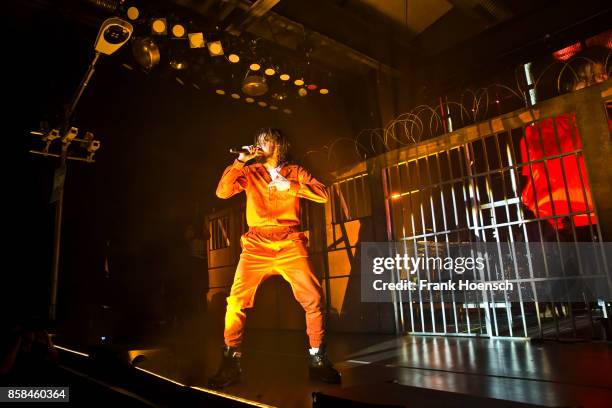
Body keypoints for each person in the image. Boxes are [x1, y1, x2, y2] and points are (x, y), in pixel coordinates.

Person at [208, 128, 340, 388]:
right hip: (256, 244)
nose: (260, 144)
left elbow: (323, 194)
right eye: (258, 141)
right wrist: (240, 161)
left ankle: (317, 360)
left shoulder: (296, 172)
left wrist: (289, 186)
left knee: (313, 299)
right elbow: (222, 192)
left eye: (266, 140)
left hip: (290, 241)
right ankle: (230, 362)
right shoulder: (250, 172)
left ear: (278, 144)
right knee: (235, 302)